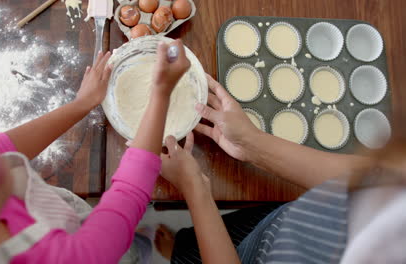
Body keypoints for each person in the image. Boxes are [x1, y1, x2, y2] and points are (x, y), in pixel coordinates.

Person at [0, 39, 191, 264]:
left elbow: (4, 147)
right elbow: (126, 197)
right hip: (103, 250)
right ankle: (139, 250)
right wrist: (160, 94)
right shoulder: (57, 258)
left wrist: (82, 104)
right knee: (127, 250)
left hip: (61, 212)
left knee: (119, 231)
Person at [155, 74, 406, 263]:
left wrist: (195, 189)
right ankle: (180, 248)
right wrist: (253, 145)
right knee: (192, 244)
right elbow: (366, 178)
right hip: (281, 225)